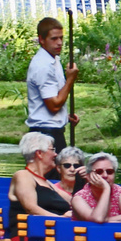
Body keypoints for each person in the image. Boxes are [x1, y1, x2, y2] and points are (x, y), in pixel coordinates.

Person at [25, 16, 80, 153]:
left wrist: (64, 117)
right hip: (45, 135)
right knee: (57, 173)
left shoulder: (53, 60)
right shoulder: (43, 65)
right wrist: (70, 80)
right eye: (54, 39)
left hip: (53, 130)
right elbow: (54, 105)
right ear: (41, 40)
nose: (59, 43)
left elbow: (53, 98)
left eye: (61, 38)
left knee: (69, 172)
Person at [9, 132, 72, 229]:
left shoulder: (48, 183)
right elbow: (31, 208)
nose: (55, 154)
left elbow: (72, 201)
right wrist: (61, 219)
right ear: (39, 153)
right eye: (52, 150)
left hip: (56, 233)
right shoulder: (23, 175)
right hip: (29, 235)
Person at [72, 152, 121, 223]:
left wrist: (105, 220)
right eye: (99, 172)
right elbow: (98, 219)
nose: (105, 175)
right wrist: (106, 189)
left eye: (109, 171)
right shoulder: (79, 198)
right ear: (88, 176)